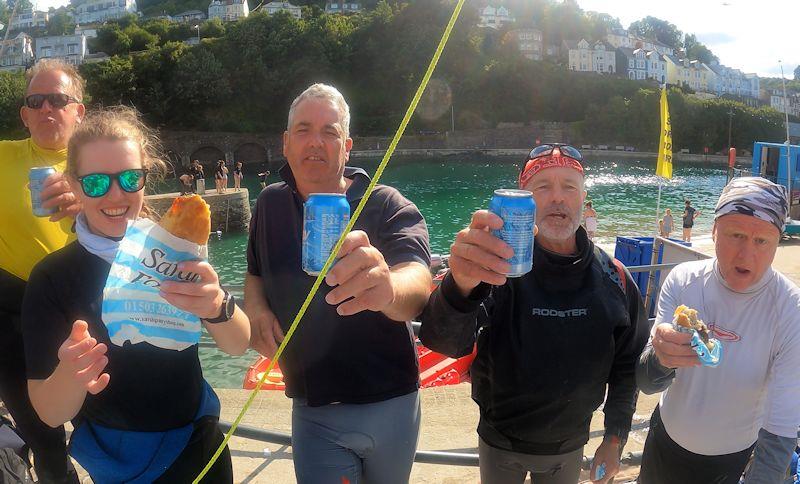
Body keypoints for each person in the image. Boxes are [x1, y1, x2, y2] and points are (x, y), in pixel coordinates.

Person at [21, 106, 251, 483]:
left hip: (200, 446)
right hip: (121, 460)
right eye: (96, 182)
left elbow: (239, 345)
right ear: (75, 184)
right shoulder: (53, 278)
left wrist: (218, 306)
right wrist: (72, 372)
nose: (116, 194)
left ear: (147, 176)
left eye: (130, 178)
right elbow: (48, 411)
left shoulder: (175, 250)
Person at [419, 143, 650, 484]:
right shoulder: (496, 269)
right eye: (543, 187)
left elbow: (627, 366)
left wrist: (615, 437)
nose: (557, 198)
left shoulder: (614, 276)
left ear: (583, 199)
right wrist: (461, 285)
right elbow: (444, 340)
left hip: (570, 445)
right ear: (525, 200)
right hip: (500, 440)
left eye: (569, 186)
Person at [245, 83, 432, 483]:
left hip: (392, 400)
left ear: (347, 146)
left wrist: (388, 289)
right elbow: (255, 271)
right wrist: (257, 310)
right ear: (285, 142)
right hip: (313, 407)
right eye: (304, 130)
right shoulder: (269, 204)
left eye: (329, 132)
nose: (315, 142)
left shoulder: (387, 205)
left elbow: (418, 280)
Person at [636, 177, 800, 484]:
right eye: (736, 235)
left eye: (762, 241)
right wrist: (660, 358)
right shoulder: (683, 281)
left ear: (779, 243)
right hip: (664, 443)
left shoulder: (791, 309)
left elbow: (782, 423)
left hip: (731, 460)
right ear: (714, 232)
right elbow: (647, 383)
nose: (746, 255)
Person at [0, 58, 87, 484]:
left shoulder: (101, 164)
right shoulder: (3, 156)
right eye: (37, 101)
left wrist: (86, 203)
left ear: (79, 110)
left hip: (82, 310)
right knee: (42, 436)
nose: (47, 108)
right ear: (25, 113)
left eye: (58, 99)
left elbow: (139, 225)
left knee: (102, 426)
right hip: (10, 317)